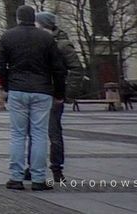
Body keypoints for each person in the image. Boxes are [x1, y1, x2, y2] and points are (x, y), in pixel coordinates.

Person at [0, 4, 66, 192]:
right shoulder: (46, 38)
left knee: (18, 135)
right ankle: (38, 179)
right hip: (42, 90)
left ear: (18, 18)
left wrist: (6, 85)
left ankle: (16, 178)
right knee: (39, 134)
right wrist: (59, 93)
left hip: (17, 89)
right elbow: (58, 68)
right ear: (33, 18)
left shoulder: (7, 36)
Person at [36, 11, 85, 184]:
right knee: (35, 133)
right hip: (38, 93)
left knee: (53, 133)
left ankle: (57, 168)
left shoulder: (63, 44)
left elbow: (77, 69)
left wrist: (67, 94)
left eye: (37, 24)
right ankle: (33, 167)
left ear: (43, 25)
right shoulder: (39, 42)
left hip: (54, 95)